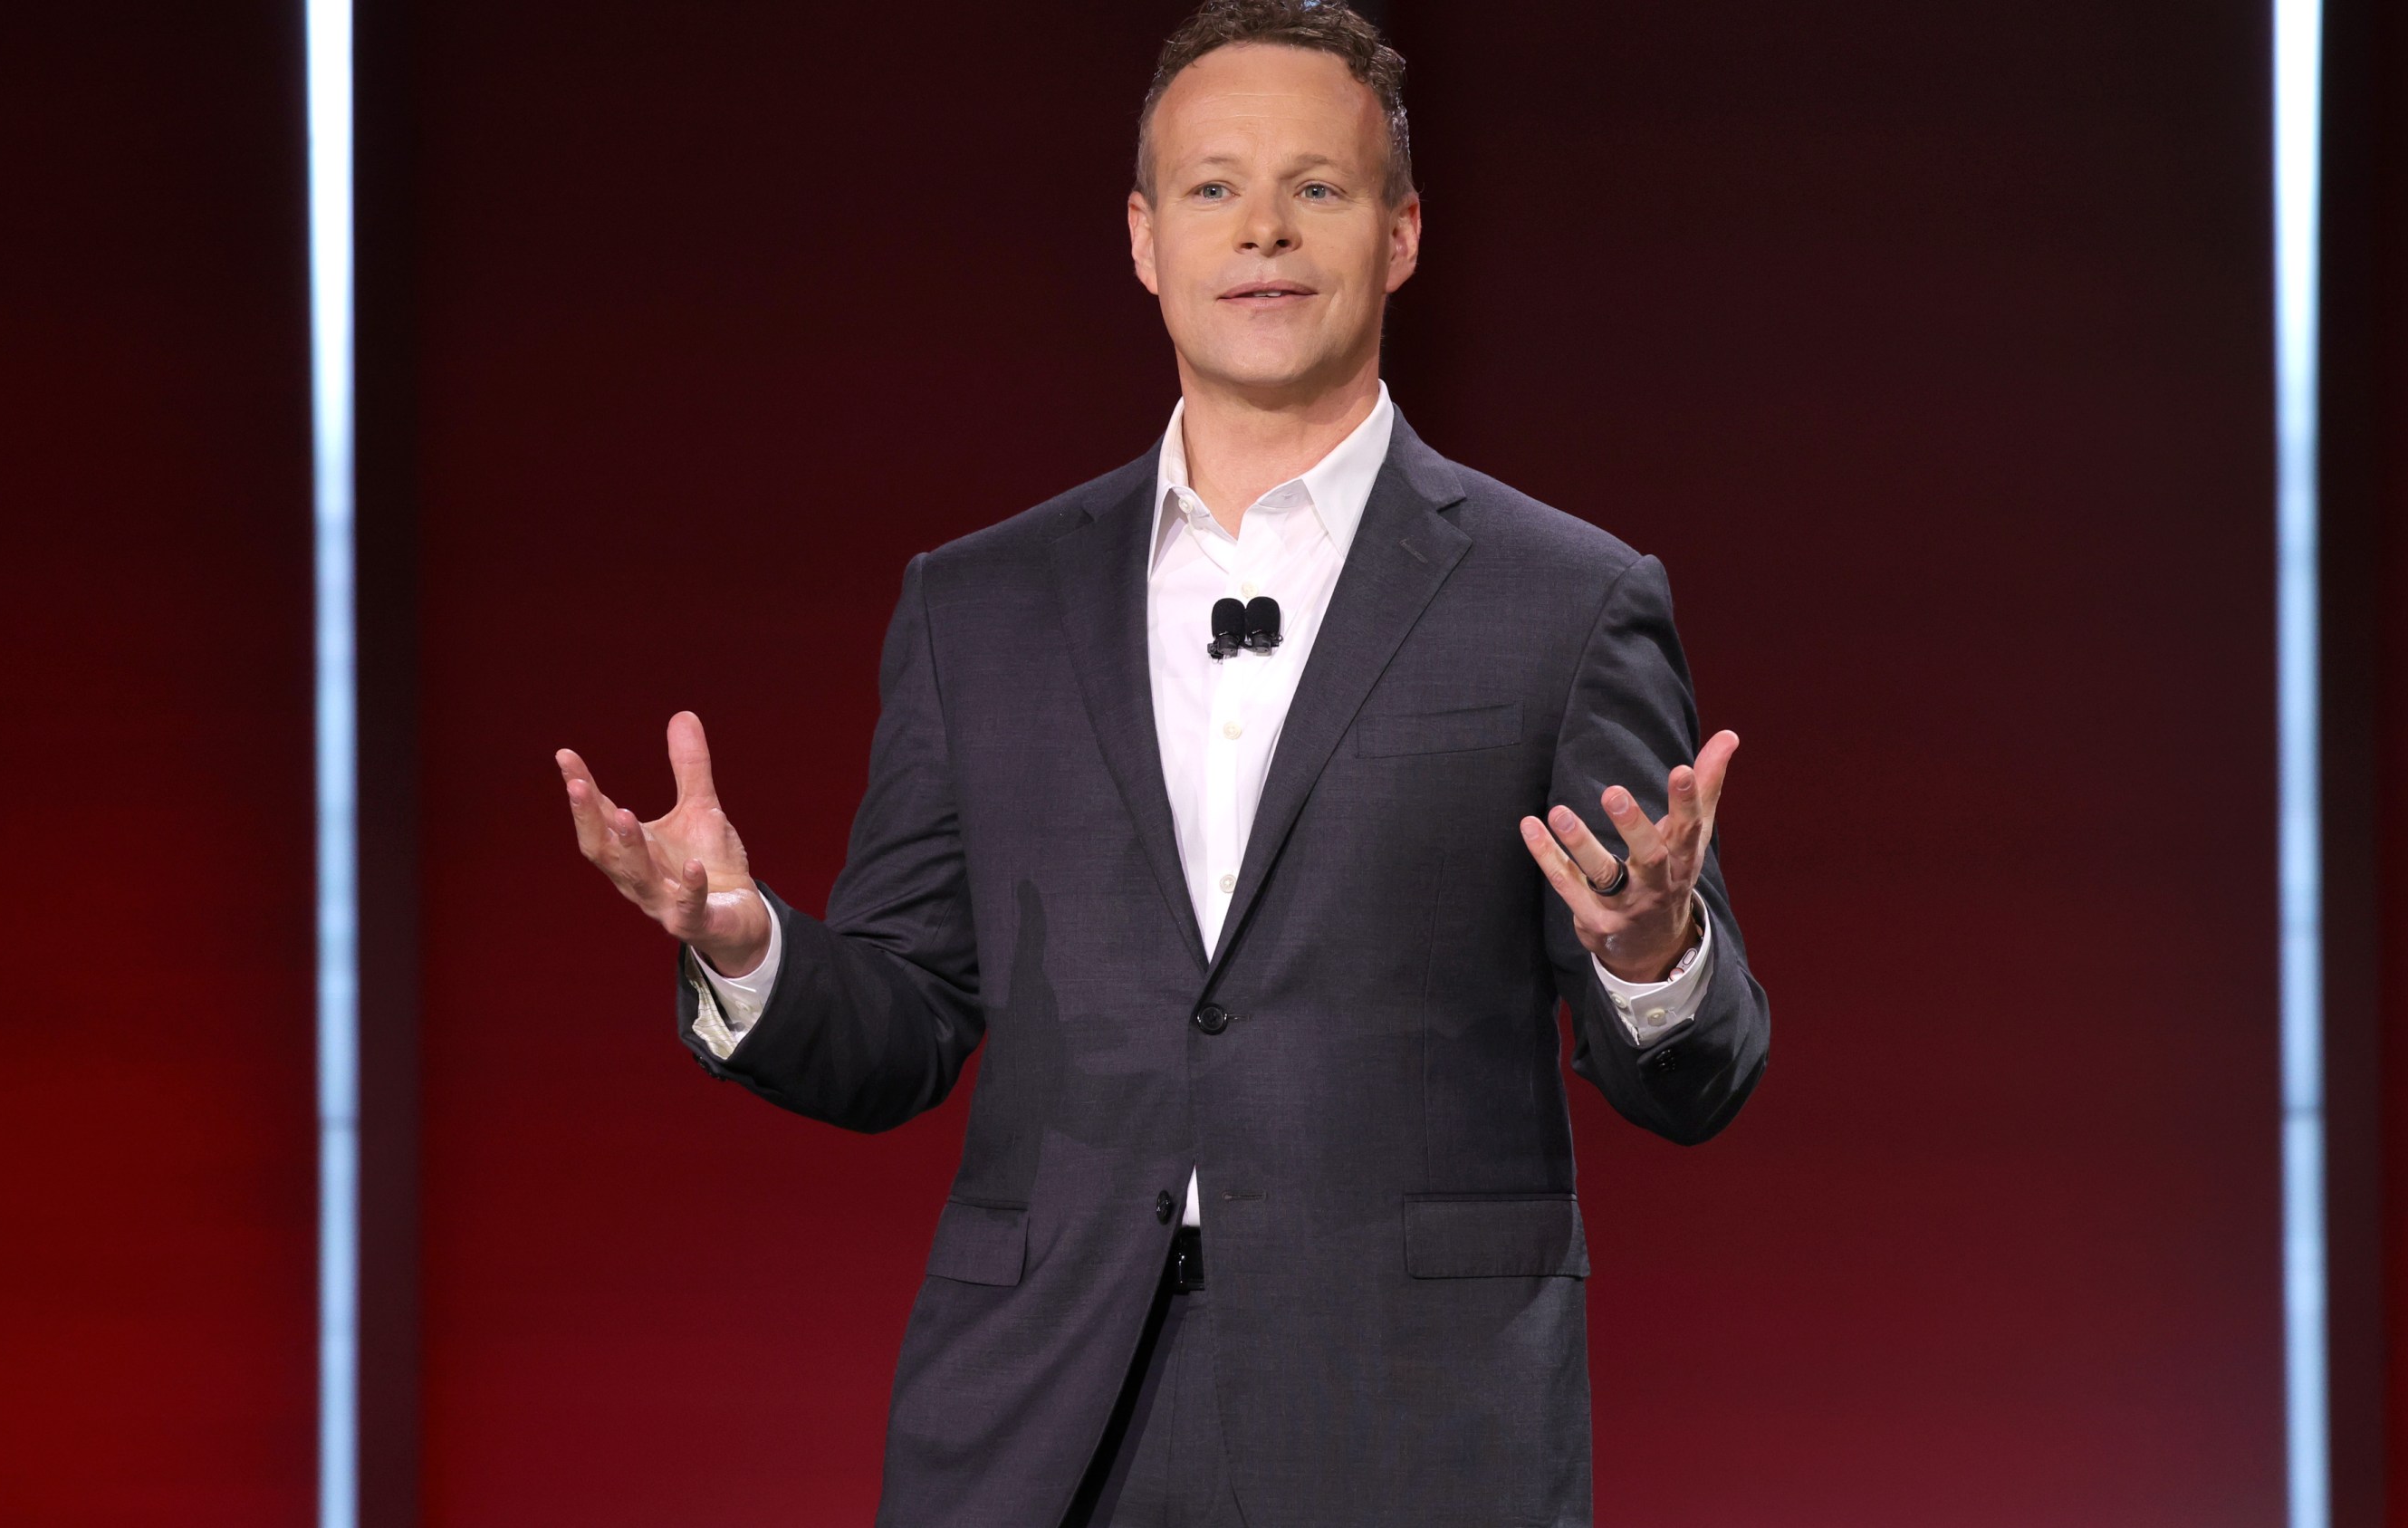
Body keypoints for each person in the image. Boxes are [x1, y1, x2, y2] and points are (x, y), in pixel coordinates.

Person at [554, 3, 1768, 1523]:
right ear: (1142, 238)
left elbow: (1699, 1080)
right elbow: (908, 1025)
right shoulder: (979, 604)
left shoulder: (1565, 600)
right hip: (1045, 1415)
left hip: (1407, 1418)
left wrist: (1655, 952)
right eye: (1213, 187)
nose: (1262, 227)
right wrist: (750, 952)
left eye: (1317, 188)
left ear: (1400, 235)